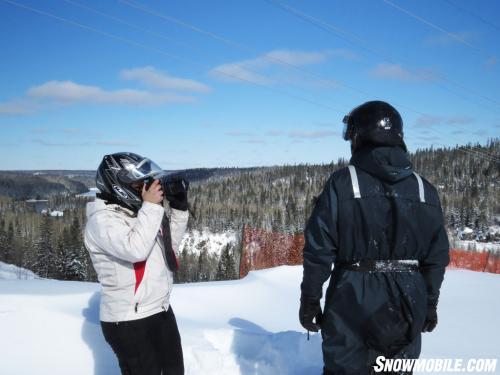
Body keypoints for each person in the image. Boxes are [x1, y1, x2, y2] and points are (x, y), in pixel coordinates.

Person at [299, 101, 450, 374]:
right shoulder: (424, 190)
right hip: (408, 297)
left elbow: (319, 249)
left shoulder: (343, 183)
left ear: (360, 136)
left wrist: (310, 300)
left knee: (346, 367)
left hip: (353, 295)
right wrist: (428, 302)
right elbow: (436, 257)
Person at [84, 152, 189, 375]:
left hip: (160, 310)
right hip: (128, 321)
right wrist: (152, 207)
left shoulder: (137, 213)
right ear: (118, 185)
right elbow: (136, 251)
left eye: (147, 182)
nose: (146, 187)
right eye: (139, 183)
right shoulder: (102, 220)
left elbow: (168, 251)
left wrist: (179, 210)